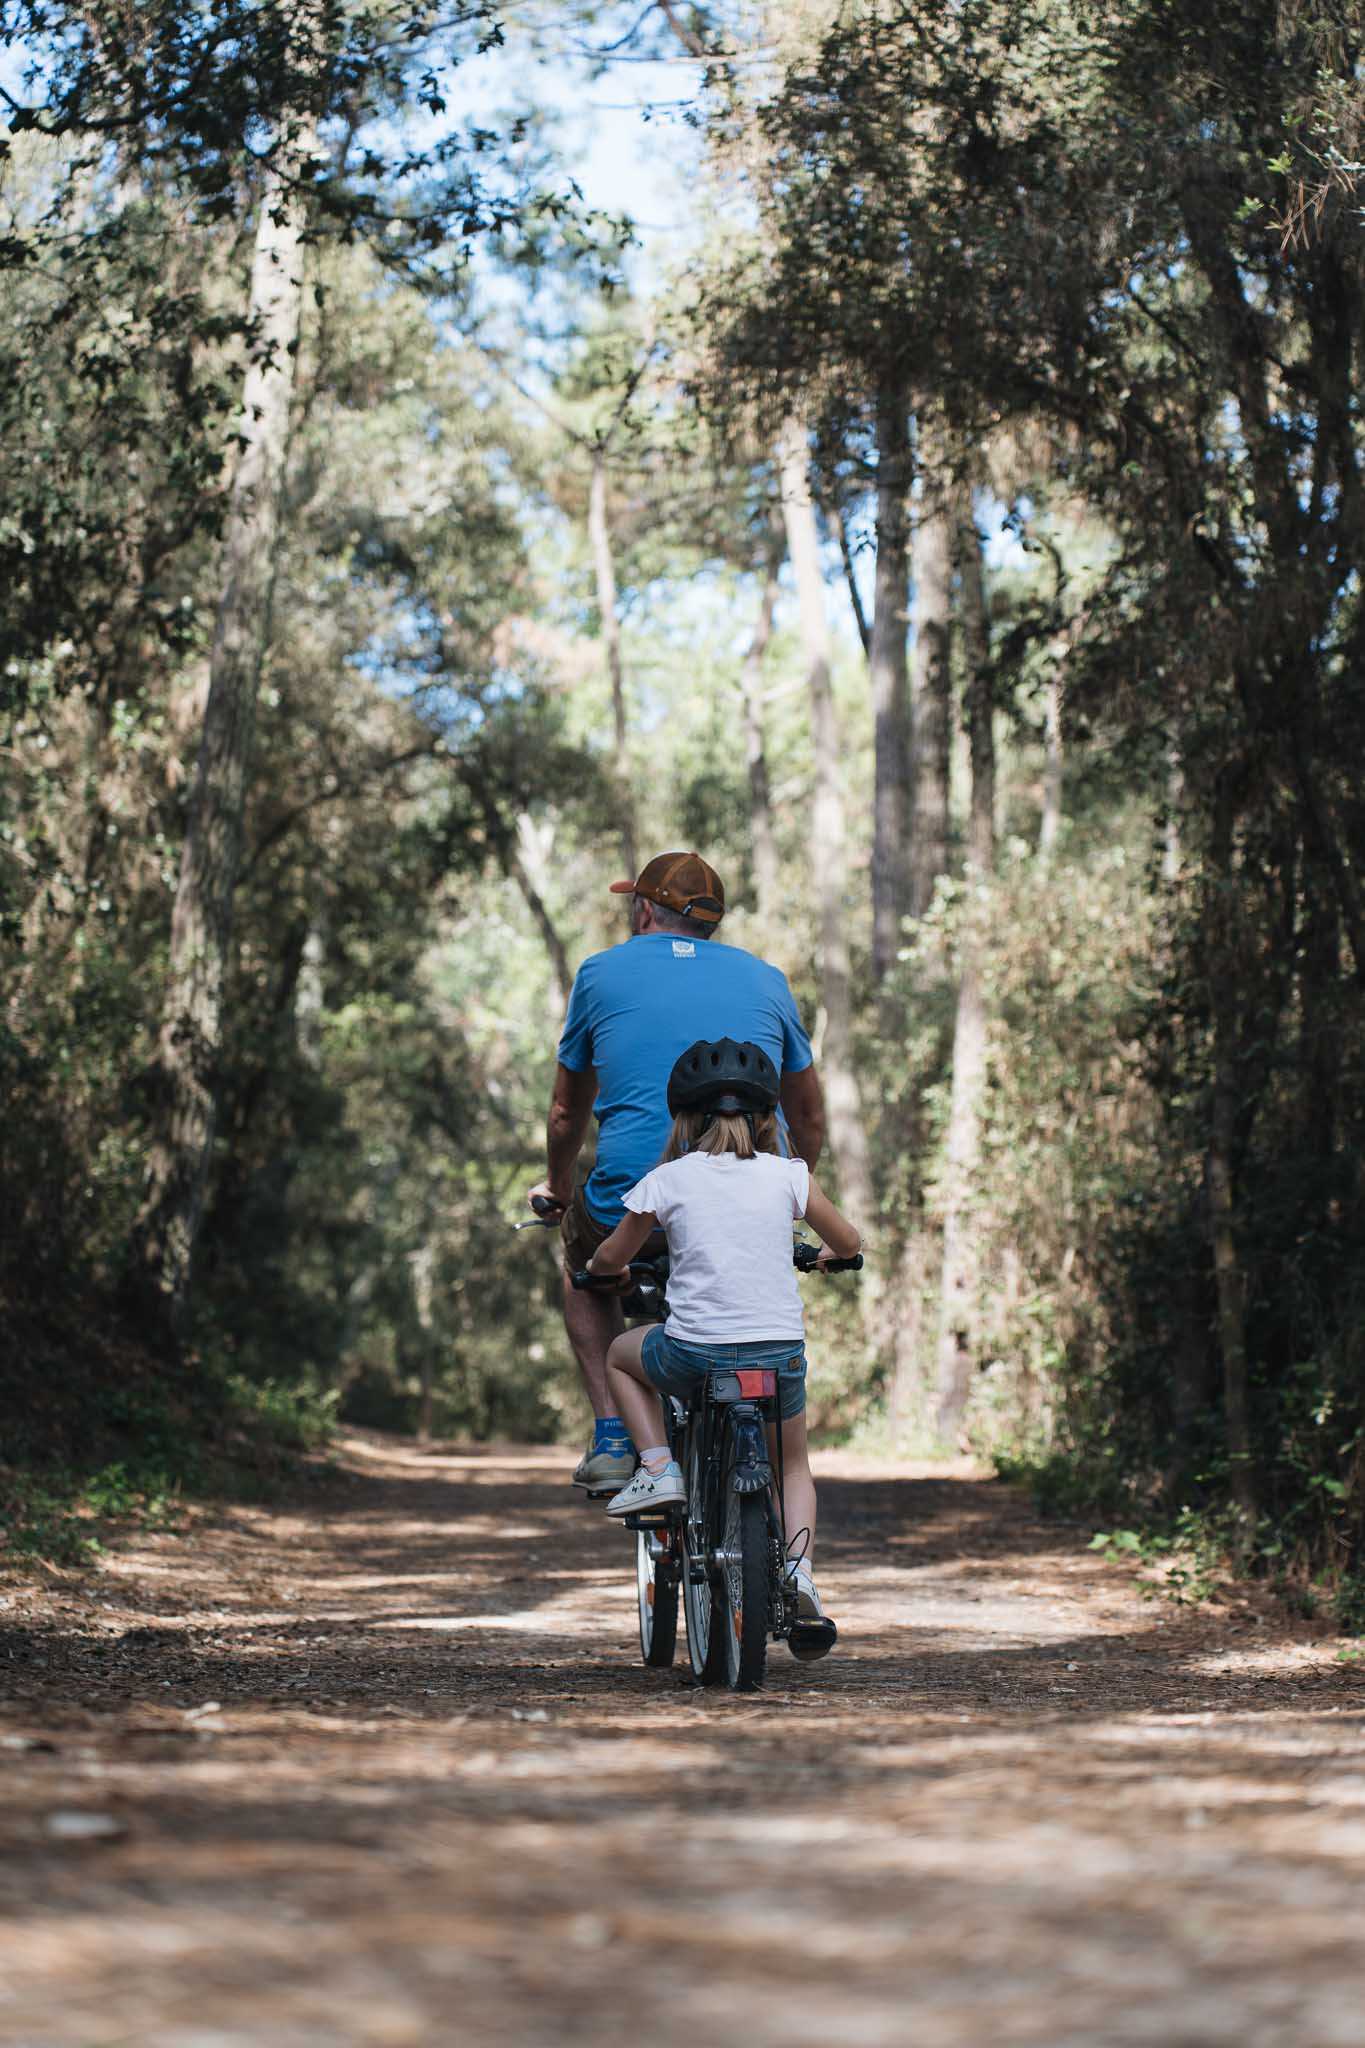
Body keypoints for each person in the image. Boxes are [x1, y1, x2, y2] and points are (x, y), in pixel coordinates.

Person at [527, 850, 827, 1496]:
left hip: (633, 1195)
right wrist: (790, 1190)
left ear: (642, 909)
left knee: (586, 1273)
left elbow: (563, 1109)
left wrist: (555, 1186)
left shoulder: (600, 972)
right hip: (755, 1180)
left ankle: (613, 1432)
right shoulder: (766, 979)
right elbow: (807, 1114)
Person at [585, 1036, 861, 1638]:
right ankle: (802, 1574)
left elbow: (612, 1255)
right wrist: (821, 1259)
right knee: (792, 1463)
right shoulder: (790, 1177)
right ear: (766, 1118)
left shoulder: (667, 1180)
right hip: (778, 1356)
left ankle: (659, 1467)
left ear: (684, 1118)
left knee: (619, 1356)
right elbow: (850, 1243)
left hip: (693, 1355)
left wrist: (605, 1271)